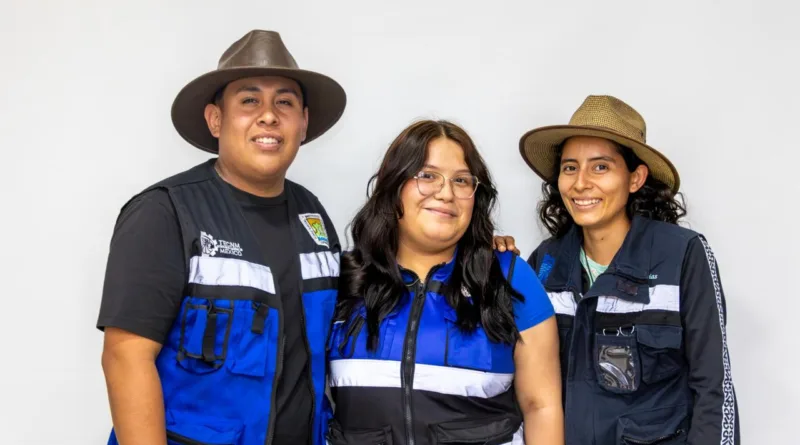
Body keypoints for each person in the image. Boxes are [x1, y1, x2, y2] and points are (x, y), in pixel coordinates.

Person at [96, 30, 347, 445]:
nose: (269, 116)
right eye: (249, 100)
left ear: (303, 122)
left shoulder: (312, 215)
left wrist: (483, 248)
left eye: (284, 102)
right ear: (216, 119)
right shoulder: (165, 213)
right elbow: (126, 358)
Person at [326, 120, 564, 445]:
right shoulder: (344, 279)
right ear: (393, 185)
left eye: (462, 180)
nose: (446, 193)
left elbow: (542, 406)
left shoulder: (508, 277)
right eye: (427, 175)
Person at [519, 95, 740, 444]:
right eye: (570, 167)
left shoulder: (682, 254)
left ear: (635, 178)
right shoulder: (543, 264)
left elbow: (714, 387)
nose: (580, 183)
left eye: (601, 166)